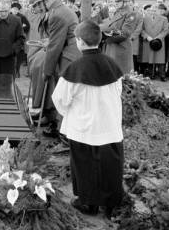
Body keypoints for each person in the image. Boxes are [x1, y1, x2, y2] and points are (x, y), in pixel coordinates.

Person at [52, 20, 124, 218]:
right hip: (109, 125)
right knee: (111, 166)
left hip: (83, 128)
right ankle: (111, 206)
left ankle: (89, 203)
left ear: (79, 42)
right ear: (100, 40)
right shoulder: (113, 65)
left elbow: (60, 99)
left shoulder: (73, 69)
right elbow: (118, 91)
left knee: (84, 165)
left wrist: (70, 113)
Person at [28, 0, 81, 138]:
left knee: (63, 93)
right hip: (67, 52)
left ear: (47, 0)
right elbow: (56, 41)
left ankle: (62, 132)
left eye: (38, 4)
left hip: (68, 57)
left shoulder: (57, 14)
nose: (38, 7)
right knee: (60, 91)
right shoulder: (59, 10)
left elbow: (55, 48)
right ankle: (53, 120)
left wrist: (47, 71)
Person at [99, 0, 137, 74]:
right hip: (112, 45)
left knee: (122, 74)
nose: (115, 3)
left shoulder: (131, 13)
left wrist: (109, 35)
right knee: (111, 73)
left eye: (118, 1)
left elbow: (125, 33)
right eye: (115, 1)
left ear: (125, 2)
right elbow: (111, 25)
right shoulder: (118, 11)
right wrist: (100, 29)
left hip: (121, 46)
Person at [141, 4, 169, 81]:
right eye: (151, 10)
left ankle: (162, 75)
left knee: (160, 59)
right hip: (148, 41)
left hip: (159, 42)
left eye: (155, 10)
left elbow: (165, 30)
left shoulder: (164, 19)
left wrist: (158, 38)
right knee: (149, 58)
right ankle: (150, 74)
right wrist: (147, 37)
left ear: (158, 11)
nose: (153, 12)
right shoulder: (144, 18)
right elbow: (142, 30)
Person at [10, 1, 30, 77]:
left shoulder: (22, 17)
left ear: (18, 10)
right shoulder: (8, 16)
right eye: (13, 9)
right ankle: (12, 71)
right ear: (11, 9)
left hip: (19, 39)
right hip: (10, 39)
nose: (15, 10)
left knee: (18, 57)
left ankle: (17, 71)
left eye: (16, 9)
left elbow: (27, 26)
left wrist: (21, 29)